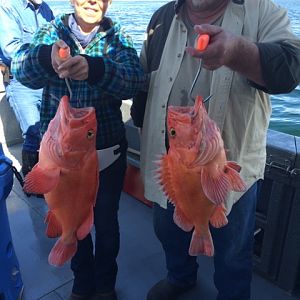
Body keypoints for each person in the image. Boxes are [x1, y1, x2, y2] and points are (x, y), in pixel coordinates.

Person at [131, 0, 300, 300]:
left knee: (234, 252)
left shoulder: (263, 12)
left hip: (233, 173)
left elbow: (291, 68)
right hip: (171, 170)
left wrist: (238, 52)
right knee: (168, 233)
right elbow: (143, 82)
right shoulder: (160, 18)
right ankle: (180, 277)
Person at [11, 0, 145, 299]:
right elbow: (21, 70)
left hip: (108, 154)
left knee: (107, 224)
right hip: (61, 159)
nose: (93, 0)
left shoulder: (118, 36)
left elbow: (135, 81)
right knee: (70, 217)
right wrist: (46, 58)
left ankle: (106, 285)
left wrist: (96, 69)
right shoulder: (51, 31)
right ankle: (82, 284)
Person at [0, 0, 54, 178]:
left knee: (49, 131)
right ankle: (32, 181)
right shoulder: (7, 6)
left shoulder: (46, 9)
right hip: (20, 82)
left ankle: (49, 178)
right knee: (33, 132)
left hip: (47, 81)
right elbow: (10, 50)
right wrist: (46, 56)